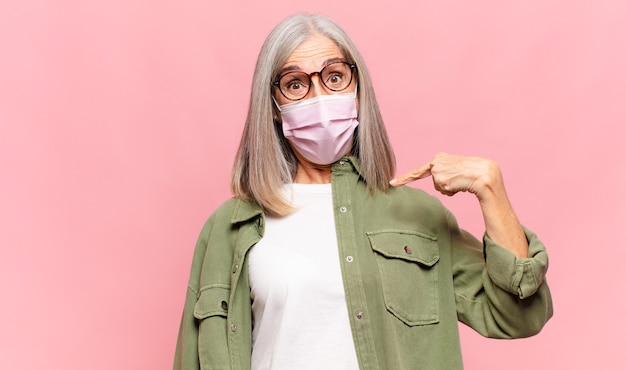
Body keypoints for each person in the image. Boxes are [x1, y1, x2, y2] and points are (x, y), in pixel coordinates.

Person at [174, 13, 553, 370]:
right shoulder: (229, 226)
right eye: (294, 84)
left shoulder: (417, 215)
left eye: (334, 77)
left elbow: (518, 315)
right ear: (273, 107)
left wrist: (491, 188)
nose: (319, 98)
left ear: (358, 88)